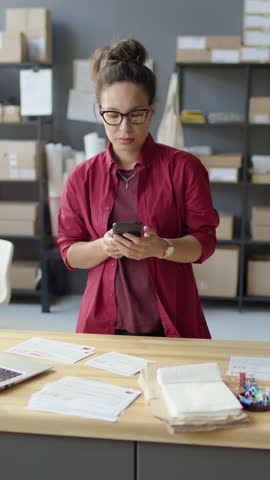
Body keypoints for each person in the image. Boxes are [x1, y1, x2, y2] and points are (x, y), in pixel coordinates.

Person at [58, 37, 219, 338]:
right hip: (103, 327)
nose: (124, 128)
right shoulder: (81, 178)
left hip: (173, 322)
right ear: (99, 111)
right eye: (113, 115)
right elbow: (69, 252)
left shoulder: (185, 169)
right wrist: (103, 247)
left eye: (136, 114)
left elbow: (205, 242)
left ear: (152, 109)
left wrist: (163, 248)